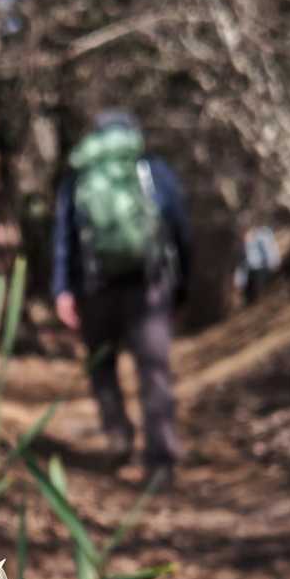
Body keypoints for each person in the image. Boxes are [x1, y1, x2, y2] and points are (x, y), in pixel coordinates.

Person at [51, 110, 190, 488]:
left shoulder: (79, 175)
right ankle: (160, 460)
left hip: (93, 288)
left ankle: (118, 435)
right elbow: (178, 227)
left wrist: (62, 290)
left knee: (102, 365)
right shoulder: (151, 169)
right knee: (154, 372)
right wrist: (180, 287)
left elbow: (64, 236)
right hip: (149, 286)